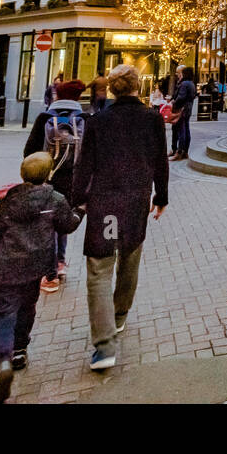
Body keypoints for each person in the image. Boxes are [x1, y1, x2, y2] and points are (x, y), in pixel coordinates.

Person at [71, 64, 170, 370]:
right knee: (129, 258)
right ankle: (119, 315)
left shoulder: (98, 121)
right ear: (137, 87)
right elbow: (159, 161)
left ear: (112, 89)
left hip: (106, 204)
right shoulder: (152, 119)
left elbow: (84, 165)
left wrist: (77, 200)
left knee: (100, 269)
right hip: (136, 200)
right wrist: (161, 197)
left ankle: (104, 346)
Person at [0, 151, 81, 403]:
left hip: (6, 270)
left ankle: (2, 358)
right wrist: (81, 210)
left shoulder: (8, 202)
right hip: (35, 268)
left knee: (2, 314)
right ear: (49, 174)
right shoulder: (55, 199)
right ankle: (19, 350)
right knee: (27, 309)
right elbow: (68, 225)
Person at [24, 79, 86, 294]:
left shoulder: (44, 118)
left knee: (46, 226)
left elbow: (29, 151)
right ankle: (60, 264)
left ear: (56, 96)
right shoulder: (84, 119)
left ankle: (49, 275)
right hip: (73, 182)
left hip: (47, 179)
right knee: (62, 224)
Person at [168, 66, 196, 160]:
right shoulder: (191, 83)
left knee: (181, 131)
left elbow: (181, 97)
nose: (178, 74)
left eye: (180, 73)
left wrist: (173, 101)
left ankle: (179, 152)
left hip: (181, 109)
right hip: (188, 109)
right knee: (186, 130)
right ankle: (185, 151)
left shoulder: (184, 84)